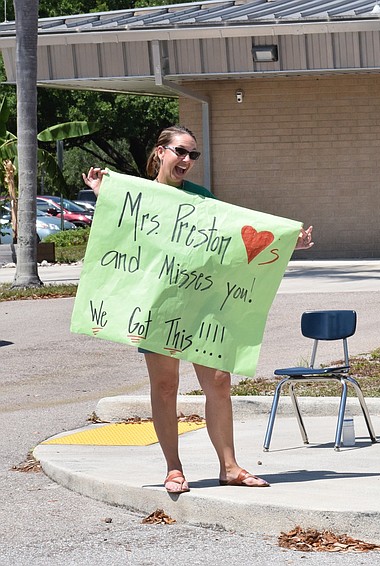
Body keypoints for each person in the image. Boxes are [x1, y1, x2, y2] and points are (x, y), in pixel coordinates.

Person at [83, 125, 314, 493]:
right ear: (160, 152)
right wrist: (104, 195)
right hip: (159, 307)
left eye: (193, 155)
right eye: (180, 152)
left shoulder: (201, 198)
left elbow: (231, 245)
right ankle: (174, 468)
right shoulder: (138, 195)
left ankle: (230, 467)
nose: (187, 160)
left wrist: (286, 245)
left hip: (203, 306)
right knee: (164, 386)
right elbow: (120, 240)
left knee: (219, 383)